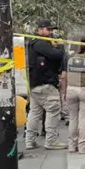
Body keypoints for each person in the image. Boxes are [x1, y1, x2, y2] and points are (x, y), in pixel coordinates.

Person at [25, 20, 67, 150]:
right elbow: (57, 55)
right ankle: (51, 141)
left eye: (51, 30)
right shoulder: (40, 43)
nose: (50, 33)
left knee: (35, 112)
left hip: (35, 83)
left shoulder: (33, 44)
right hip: (45, 83)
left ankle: (29, 141)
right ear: (40, 30)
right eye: (48, 30)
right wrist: (60, 47)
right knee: (53, 110)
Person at [61, 37, 85, 153]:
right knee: (84, 118)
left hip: (71, 89)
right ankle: (83, 147)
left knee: (73, 118)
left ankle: (72, 146)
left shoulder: (68, 56)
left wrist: (64, 92)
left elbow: (63, 76)